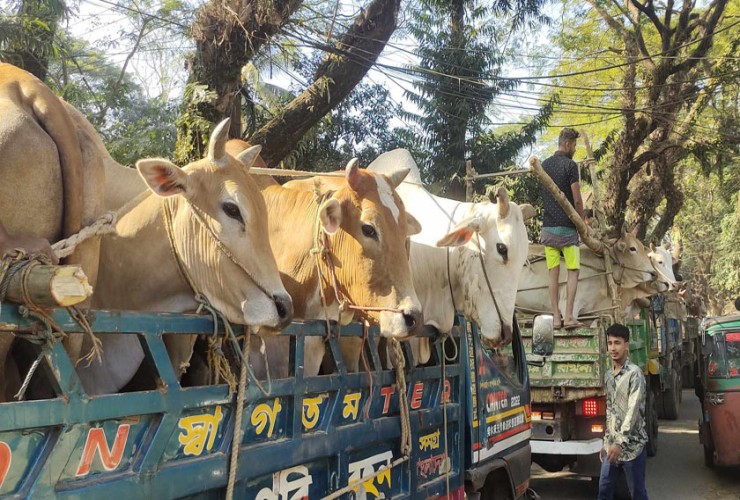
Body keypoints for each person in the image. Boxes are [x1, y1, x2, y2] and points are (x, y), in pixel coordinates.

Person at [540, 128, 585, 329]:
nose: (575, 149)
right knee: (573, 271)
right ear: (567, 144)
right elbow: (576, 199)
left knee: (553, 273)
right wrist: (582, 223)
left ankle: (555, 318)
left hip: (548, 230)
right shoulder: (570, 166)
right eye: (574, 146)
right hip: (568, 231)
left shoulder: (544, 165)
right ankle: (568, 316)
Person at [599, 323, 649, 500]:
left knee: (637, 494)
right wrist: (606, 442)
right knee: (604, 492)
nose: (613, 348)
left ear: (626, 344)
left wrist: (619, 442)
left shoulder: (635, 374)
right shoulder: (608, 375)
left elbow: (633, 411)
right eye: (610, 343)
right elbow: (610, 411)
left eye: (617, 343)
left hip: (632, 448)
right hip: (611, 448)